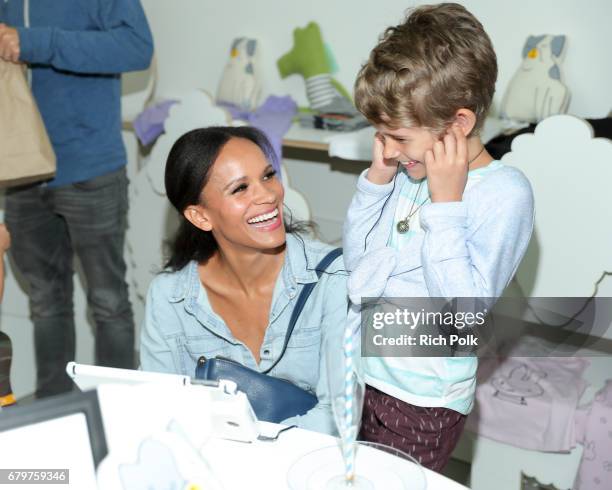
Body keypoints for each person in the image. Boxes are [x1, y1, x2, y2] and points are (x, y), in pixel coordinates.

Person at [344, 3, 534, 471]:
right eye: (379, 135)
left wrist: (446, 206)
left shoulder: (505, 195)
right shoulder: (408, 172)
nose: (386, 149)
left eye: (397, 137)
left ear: (457, 125)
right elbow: (358, 262)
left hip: (423, 401)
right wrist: (376, 183)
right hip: (364, 374)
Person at [140, 126, 347, 435]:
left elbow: (337, 415)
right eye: (240, 188)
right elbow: (160, 406)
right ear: (200, 217)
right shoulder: (170, 298)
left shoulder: (333, 277)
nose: (268, 194)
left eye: (267, 176)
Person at [0, 0, 153, 398]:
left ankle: (118, 414)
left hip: (91, 168)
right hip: (21, 172)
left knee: (108, 302)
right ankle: (54, 412)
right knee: (46, 302)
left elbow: (137, 48)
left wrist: (34, 42)